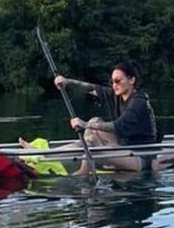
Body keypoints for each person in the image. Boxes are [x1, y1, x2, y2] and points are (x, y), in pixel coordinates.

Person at [22, 61, 159, 173]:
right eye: (112, 82)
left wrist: (85, 125)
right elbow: (91, 88)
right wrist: (67, 82)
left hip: (141, 157)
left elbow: (117, 126)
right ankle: (47, 153)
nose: (114, 85)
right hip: (124, 147)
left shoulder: (139, 102)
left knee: (92, 139)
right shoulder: (116, 95)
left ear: (132, 80)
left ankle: (83, 172)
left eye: (118, 81)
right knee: (94, 124)